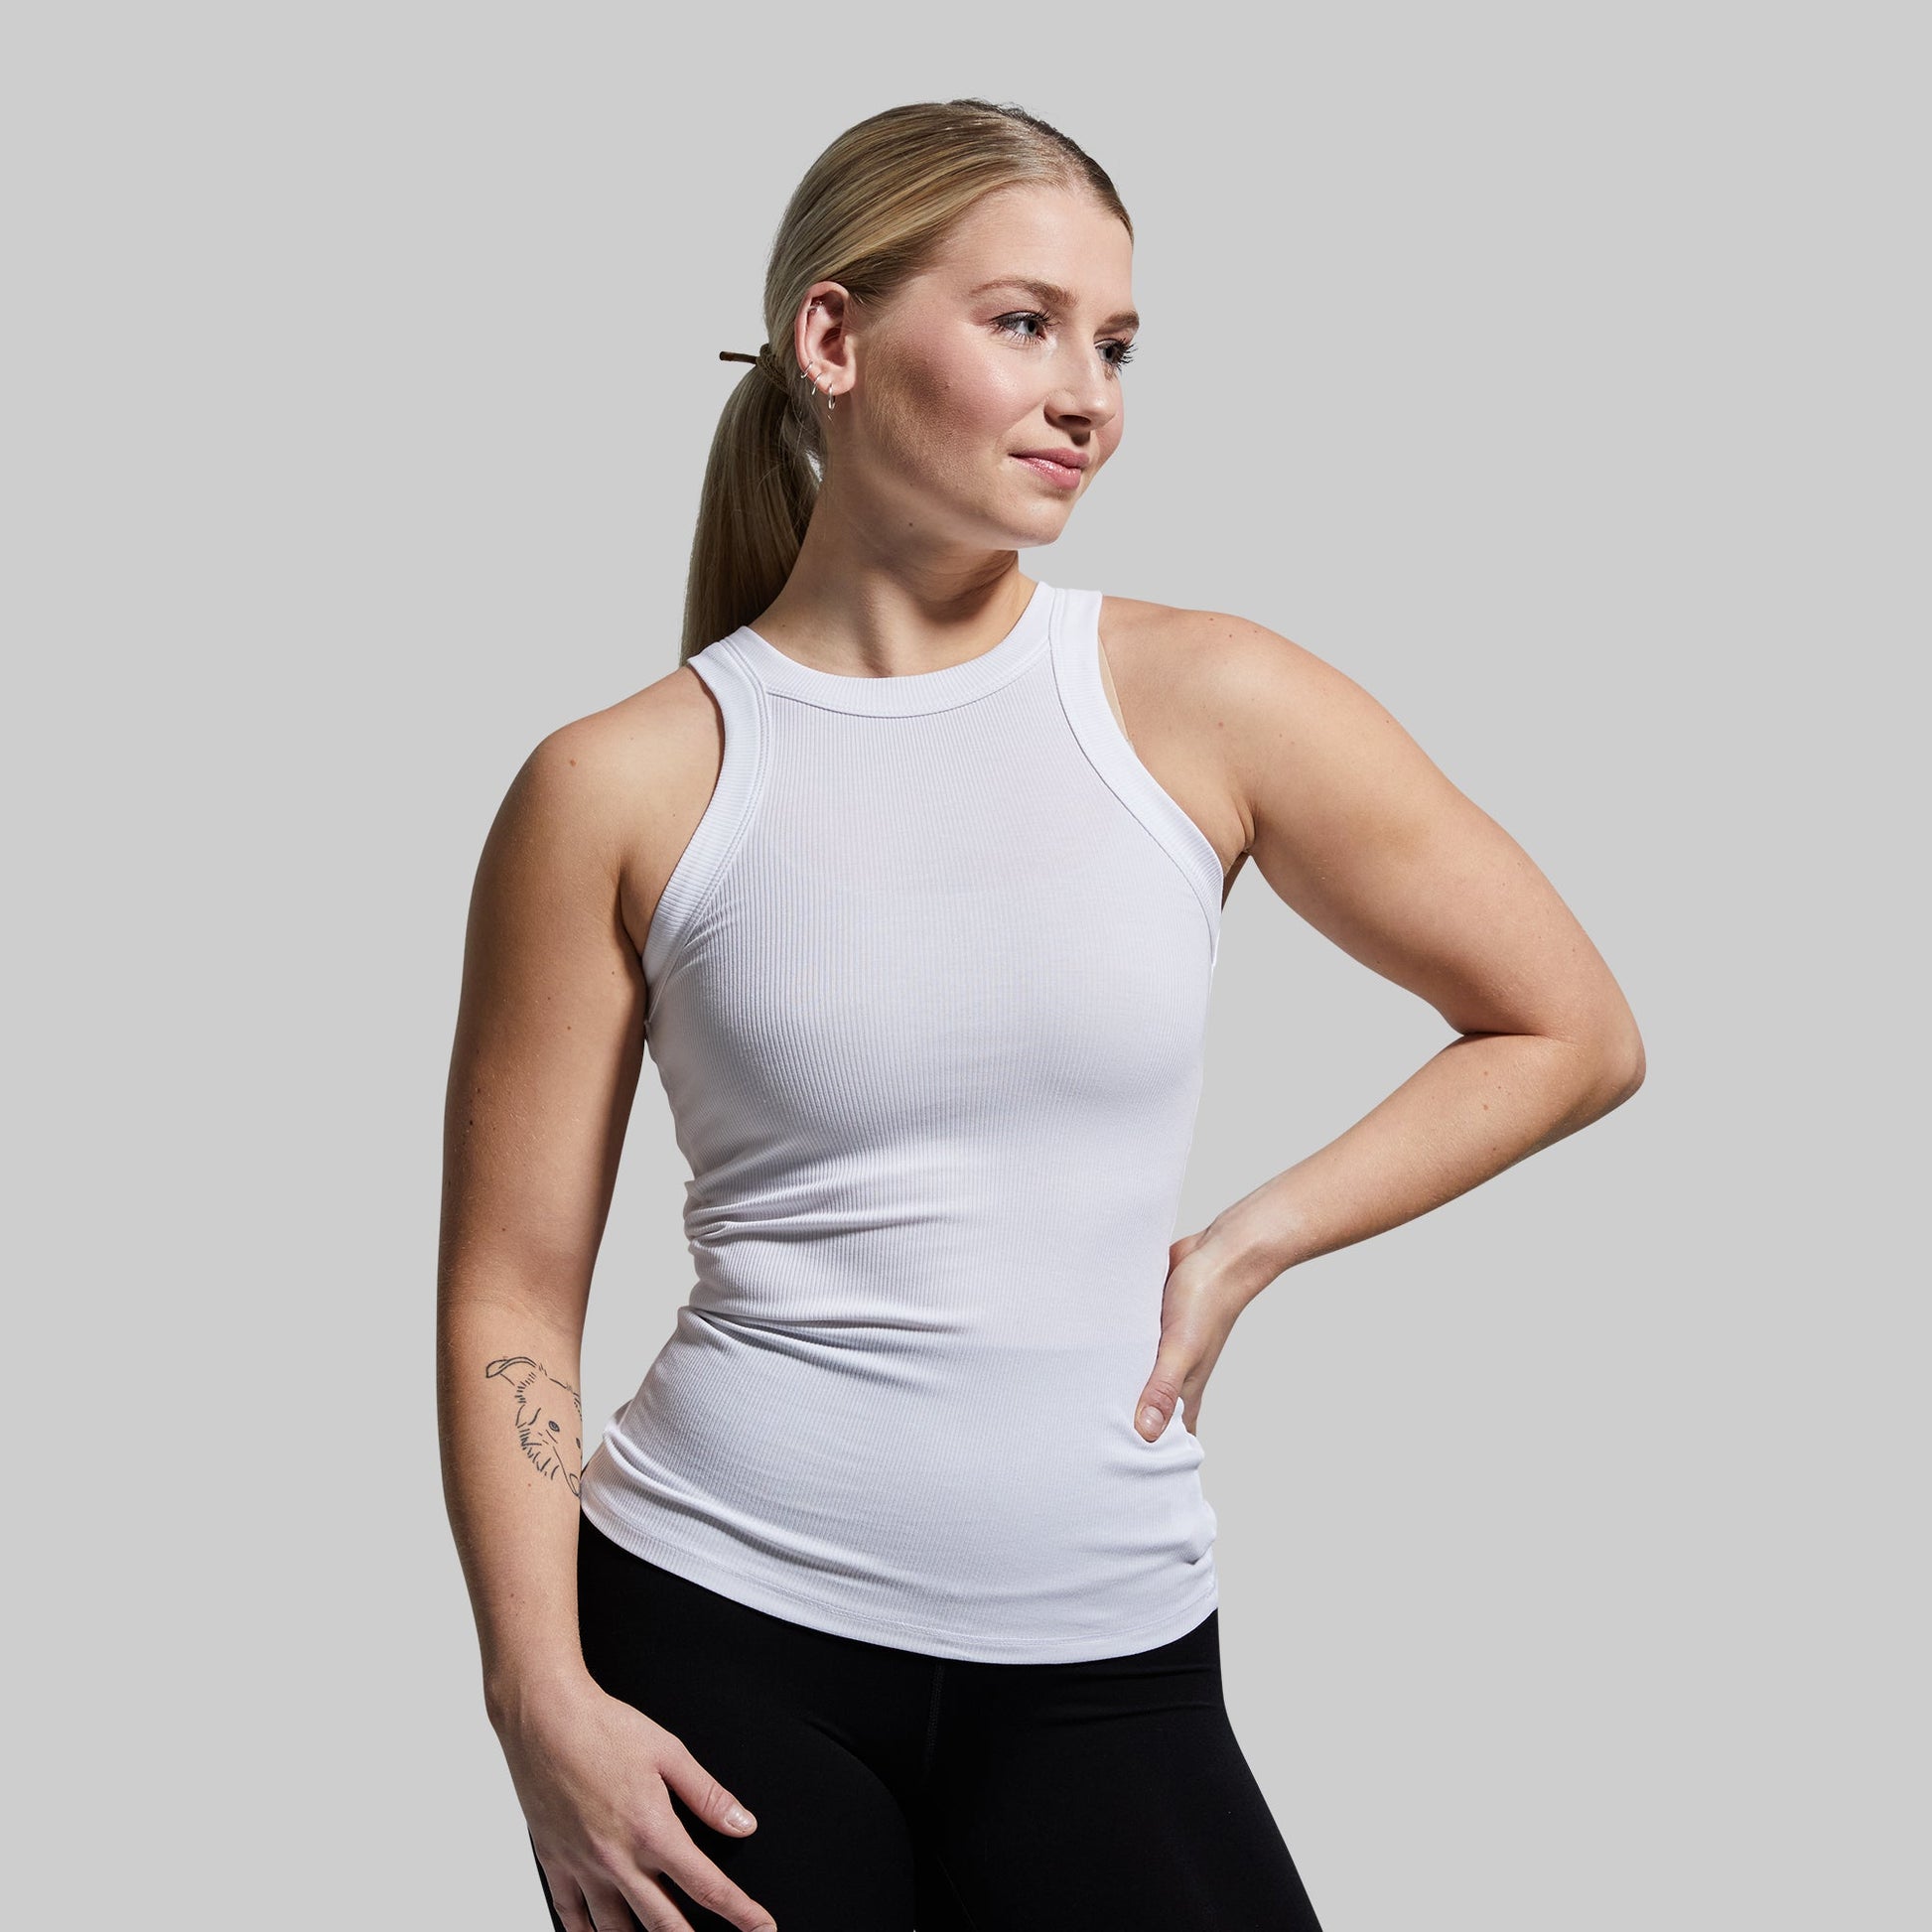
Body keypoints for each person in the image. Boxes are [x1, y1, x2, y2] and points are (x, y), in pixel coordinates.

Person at [437, 96, 1645, 1932]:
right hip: (710, 1638)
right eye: (1023, 323)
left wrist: (1247, 1242)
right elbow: (511, 1291)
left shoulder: (1207, 700)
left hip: (1109, 1648)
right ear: (832, 339)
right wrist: (539, 1699)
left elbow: (1566, 1027)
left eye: (1116, 344)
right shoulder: (619, 781)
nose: (1086, 394)